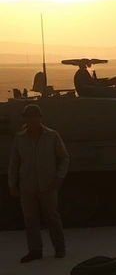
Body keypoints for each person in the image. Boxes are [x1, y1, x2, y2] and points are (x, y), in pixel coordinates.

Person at [8, 104, 69, 263]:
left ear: (40, 118)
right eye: (27, 117)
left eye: (33, 116)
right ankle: (35, 250)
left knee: (52, 217)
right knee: (30, 219)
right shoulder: (20, 138)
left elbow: (63, 158)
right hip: (27, 185)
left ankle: (59, 247)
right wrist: (12, 184)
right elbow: (14, 163)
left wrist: (59, 177)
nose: (30, 120)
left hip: (48, 184)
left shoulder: (52, 136)